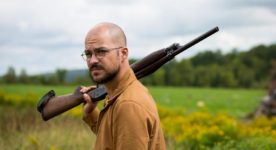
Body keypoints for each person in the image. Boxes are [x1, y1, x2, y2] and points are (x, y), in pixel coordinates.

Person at [79, 22, 166, 150]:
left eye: (101, 51)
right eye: (88, 54)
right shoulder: (118, 94)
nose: (92, 60)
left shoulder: (128, 104)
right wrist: (91, 113)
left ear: (123, 54)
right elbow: (113, 139)